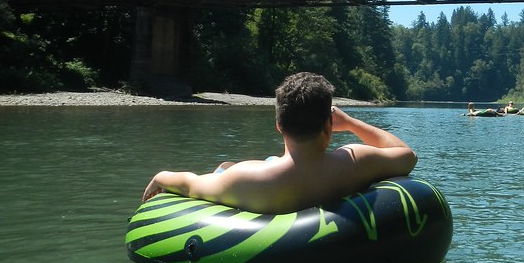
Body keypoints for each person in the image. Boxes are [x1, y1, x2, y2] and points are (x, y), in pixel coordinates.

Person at [141, 72, 417, 214]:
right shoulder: (355, 162)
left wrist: (161, 176)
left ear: (279, 126)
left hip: (269, 186)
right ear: (328, 127)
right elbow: (406, 155)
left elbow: (189, 184)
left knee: (225, 166)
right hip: (321, 181)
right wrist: (352, 123)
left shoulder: (244, 179)